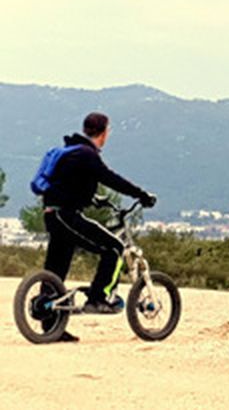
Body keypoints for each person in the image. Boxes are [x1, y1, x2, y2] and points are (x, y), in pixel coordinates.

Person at [42, 112, 156, 341]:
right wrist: (141, 194)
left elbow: (68, 184)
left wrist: (94, 200)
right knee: (114, 247)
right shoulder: (87, 154)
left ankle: (49, 323)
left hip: (52, 214)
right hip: (67, 215)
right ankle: (98, 298)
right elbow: (111, 178)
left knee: (56, 269)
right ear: (104, 132)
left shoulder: (70, 151)